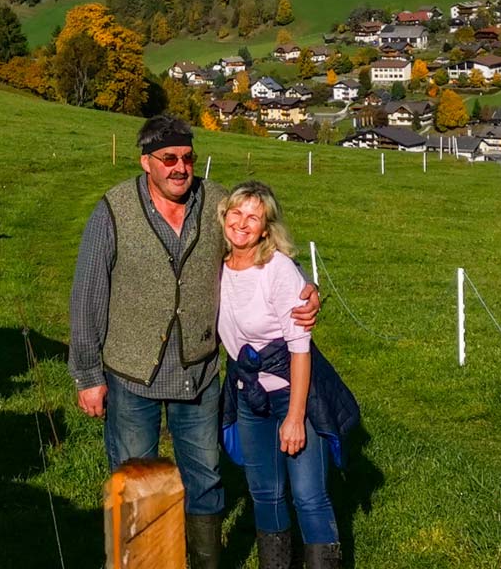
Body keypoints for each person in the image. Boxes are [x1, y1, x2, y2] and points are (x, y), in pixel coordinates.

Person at [70, 115, 320, 569]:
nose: (181, 167)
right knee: (136, 480)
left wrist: (306, 285)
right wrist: (88, 374)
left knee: (205, 480)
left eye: (187, 157)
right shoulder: (112, 210)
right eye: (169, 159)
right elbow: (88, 294)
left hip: (198, 372)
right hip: (130, 372)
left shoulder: (217, 202)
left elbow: (261, 243)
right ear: (147, 162)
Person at [217, 181, 358, 569]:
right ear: (224, 216)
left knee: (309, 495)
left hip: (289, 394)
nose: (242, 224)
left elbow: (300, 348)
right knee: (265, 493)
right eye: (236, 213)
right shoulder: (217, 264)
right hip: (248, 394)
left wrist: (295, 418)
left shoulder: (276, 270)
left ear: (266, 228)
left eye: (254, 217)